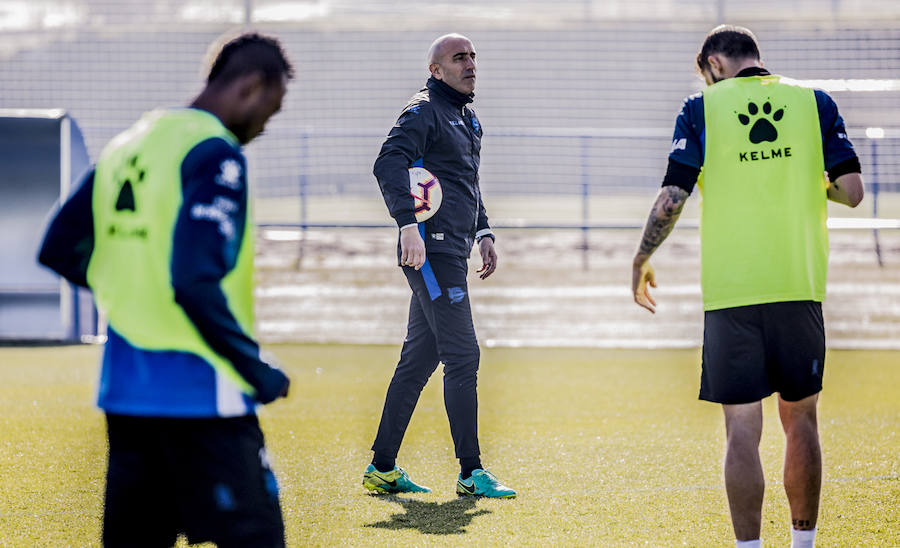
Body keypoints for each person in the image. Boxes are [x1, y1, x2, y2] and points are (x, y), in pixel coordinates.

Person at [38, 32, 293, 547]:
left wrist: (132, 293)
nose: (266, 125)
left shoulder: (130, 144)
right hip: (205, 397)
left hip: (127, 394)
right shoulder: (214, 154)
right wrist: (255, 369)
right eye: (272, 108)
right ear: (252, 86)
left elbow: (59, 248)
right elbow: (193, 279)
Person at [632, 25, 863, 548]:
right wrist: (806, 181)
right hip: (798, 286)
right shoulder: (814, 103)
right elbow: (852, 192)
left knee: (741, 428)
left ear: (714, 63)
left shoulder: (702, 109)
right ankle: (802, 543)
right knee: (801, 419)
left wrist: (643, 255)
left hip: (732, 293)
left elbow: (674, 195)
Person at [365, 33, 515, 499]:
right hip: (429, 252)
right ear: (436, 70)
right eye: (458, 58)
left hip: (456, 247)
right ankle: (471, 472)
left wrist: (484, 232)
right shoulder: (423, 110)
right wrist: (407, 225)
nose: (470, 64)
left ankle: (382, 469)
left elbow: (464, 183)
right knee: (464, 355)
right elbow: (387, 161)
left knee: (418, 361)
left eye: (472, 56)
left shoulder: (467, 118)